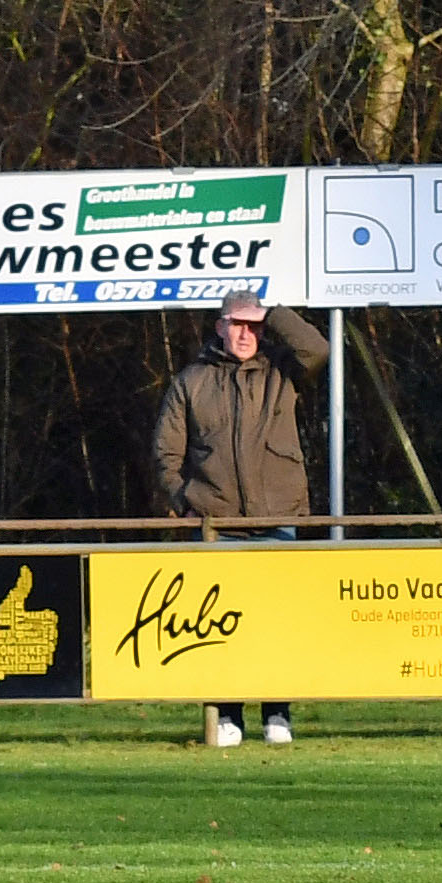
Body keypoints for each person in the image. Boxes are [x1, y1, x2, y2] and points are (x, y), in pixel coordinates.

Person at [149, 285, 329, 749]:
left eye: (254, 324)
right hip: (217, 526)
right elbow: (166, 453)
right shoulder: (191, 380)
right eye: (238, 323)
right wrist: (186, 499)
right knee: (218, 628)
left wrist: (274, 311)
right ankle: (227, 717)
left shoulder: (282, 370)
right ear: (220, 327)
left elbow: (319, 349)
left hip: (279, 520)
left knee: (276, 623)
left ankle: (277, 714)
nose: (246, 333)